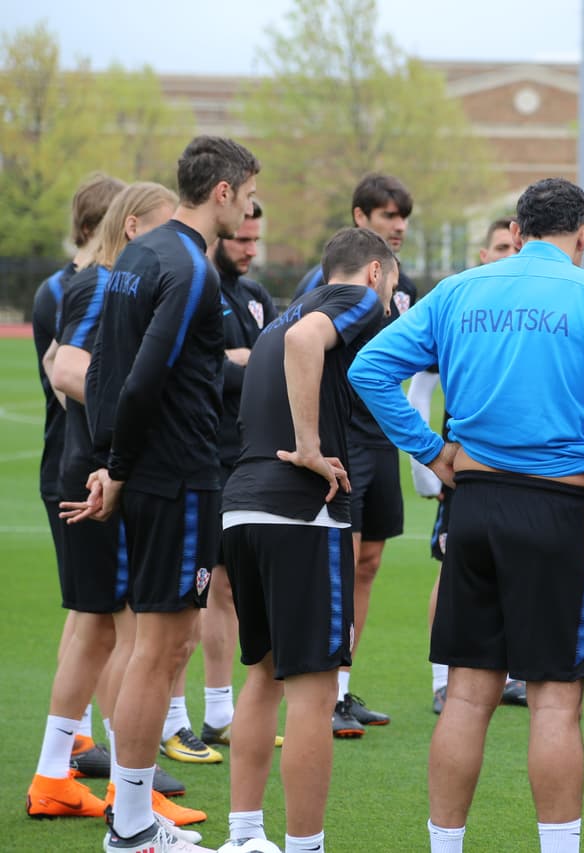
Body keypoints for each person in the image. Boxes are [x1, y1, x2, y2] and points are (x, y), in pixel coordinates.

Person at [348, 177, 584, 853]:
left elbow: (369, 367)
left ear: (518, 231)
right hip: (561, 509)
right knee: (555, 699)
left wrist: (430, 450)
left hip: (473, 505)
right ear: (583, 235)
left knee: (468, 694)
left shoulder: (460, 290)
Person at [65, 134, 260, 853]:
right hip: (178, 476)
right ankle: (133, 826)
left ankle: (133, 818)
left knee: (155, 646)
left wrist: (107, 459)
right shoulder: (189, 266)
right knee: (162, 648)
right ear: (223, 191)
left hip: (151, 472)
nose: (250, 211)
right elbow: (144, 373)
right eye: (248, 196)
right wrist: (116, 465)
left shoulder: (138, 253)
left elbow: (106, 366)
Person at [218, 227, 397, 853]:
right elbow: (306, 342)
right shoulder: (355, 300)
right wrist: (311, 447)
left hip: (242, 506)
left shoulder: (282, 315)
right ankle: (304, 846)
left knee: (264, 677)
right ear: (374, 272)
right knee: (315, 692)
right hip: (300, 511)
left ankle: (244, 836)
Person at [47, 183, 203, 832]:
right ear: (133, 226)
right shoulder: (103, 283)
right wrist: (133, 419)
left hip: (101, 462)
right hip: (103, 469)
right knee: (126, 633)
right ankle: (126, 791)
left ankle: (72, 775)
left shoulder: (111, 281)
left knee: (104, 629)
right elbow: (65, 366)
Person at [295, 172, 421, 735]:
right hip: (342, 437)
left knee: (367, 564)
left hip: (381, 438)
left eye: (403, 217)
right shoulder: (325, 283)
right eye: (388, 215)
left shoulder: (402, 283)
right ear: (359, 217)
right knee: (337, 566)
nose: (399, 226)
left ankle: (342, 690)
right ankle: (320, 690)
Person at [26, 172, 125, 819]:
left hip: (84, 462)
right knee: (105, 617)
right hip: (79, 464)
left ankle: (80, 750)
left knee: (93, 616)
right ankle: (111, 764)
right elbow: (63, 375)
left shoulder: (89, 283)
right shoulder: (74, 286)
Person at [425, 216, 527, 715]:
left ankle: (513, 671)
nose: (509, 254)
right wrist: (426, 457)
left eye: (515, 247)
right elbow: (415, 379)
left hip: (524, 467)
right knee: (453, 569)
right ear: (484, 255)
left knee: (519, 568)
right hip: (467, 466)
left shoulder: (533, 308)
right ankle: (443, 678)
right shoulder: (463, 301)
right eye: (500, 247)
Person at [195, 199, 279, 748]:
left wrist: (245, 361)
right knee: (215, 586)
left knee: (242, 585)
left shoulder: (255, 296)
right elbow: (202, 371)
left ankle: (227, 711)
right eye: (241, 240)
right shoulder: (199, 289)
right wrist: (239, 363)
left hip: (253, 457)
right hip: (208, 454)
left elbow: (273, 364)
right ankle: (211, 711)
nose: (250, 250)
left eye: (255, 240)